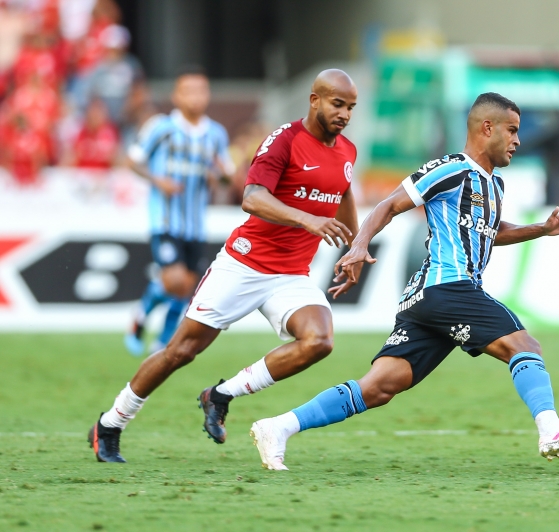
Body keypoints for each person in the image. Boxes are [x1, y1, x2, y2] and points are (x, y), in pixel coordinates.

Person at [248, 92, 559, 471]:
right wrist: (357, 247)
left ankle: (278, 427)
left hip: (426, 301)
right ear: (487, 128)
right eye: (513, 130)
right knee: (524, 345)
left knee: (379, 386)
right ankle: (551, 430)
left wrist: (542, 229)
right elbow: (388, 204)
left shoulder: (494, 185)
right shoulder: (451, 168)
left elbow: (491, 232)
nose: (519, 141)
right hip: (447, 287)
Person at [89, 68, 361, 463]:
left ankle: (220, 395)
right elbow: (251, 197)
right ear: (314, 99)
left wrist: (355, 247)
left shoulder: (347, 151)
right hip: (244, 264)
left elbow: (344, 193)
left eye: (351, 107)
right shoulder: (284, 140)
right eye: (338, 104)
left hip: (290, 275)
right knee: (180, 351)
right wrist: (307, 219)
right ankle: (111, 423)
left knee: (319, 341)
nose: (345, 114)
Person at [122, 64, 232, 357]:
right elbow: (133, 160)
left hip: (196, 223)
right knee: (174, 280)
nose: (195, 97)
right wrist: (158, 180)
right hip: (166, 219)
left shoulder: (216, 135)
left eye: (201, 90)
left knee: (186, 287)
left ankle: (163, 340)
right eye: (189, 91)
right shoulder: (161, 128)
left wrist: (219, 176)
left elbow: (226, 176)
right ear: (176, 95)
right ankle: (142, 316)